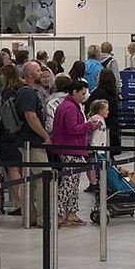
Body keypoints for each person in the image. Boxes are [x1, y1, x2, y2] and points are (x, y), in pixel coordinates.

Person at [51, 79, 99, 226]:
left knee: (73, 183)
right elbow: (72, 128)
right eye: (82, 93)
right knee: (68, 183)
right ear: (74, 92)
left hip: (73, 148)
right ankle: (59, 214)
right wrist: (89, 126)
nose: (84, 96)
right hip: (70, 149)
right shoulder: (70, 107)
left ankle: (71, 212)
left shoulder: (68, 105)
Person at [14, 61, 51, 227]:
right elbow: (31, 117)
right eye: (37, 70)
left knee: (31, 181)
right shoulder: (27, 94)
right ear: (29, 75)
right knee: (45, 177)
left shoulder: (35, 92)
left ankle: (30, 216)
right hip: (32, 143)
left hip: (33, 142)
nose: (41, 72)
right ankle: (44, 217)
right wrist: (45, 136)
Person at [0, 64, 24, 215]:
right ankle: (23, 201)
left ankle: (18, 202)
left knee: (13, 168)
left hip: (9, 134)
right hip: (21, 134)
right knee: (20, 167)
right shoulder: (22, 89)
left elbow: (5, 117)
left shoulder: (7, 93)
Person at [86, 69, 121, 152]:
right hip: (112, 127)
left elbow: (89, 107)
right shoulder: (113, 93)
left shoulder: (97, 93)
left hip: (100, 130)